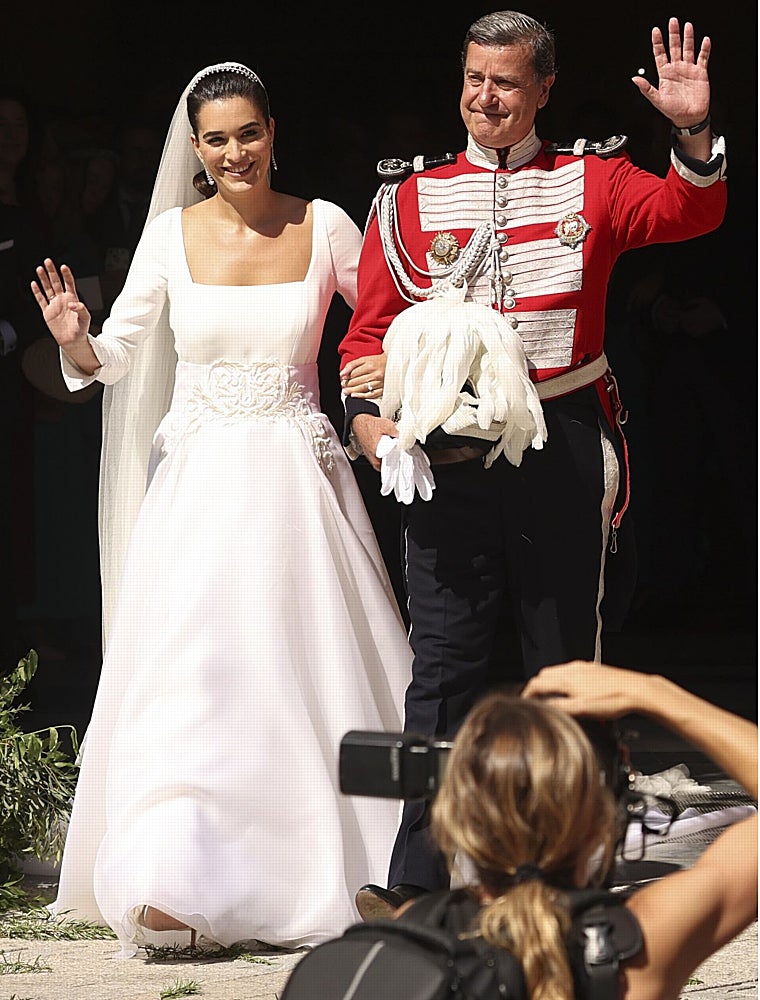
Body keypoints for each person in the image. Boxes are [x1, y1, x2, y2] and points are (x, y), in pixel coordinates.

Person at [339, 11, 728, 914]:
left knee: (564, 665)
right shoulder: (409, 199)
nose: (485, 98)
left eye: (506, 82)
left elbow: (691, 208)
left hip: (558, 449)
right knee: (440, 673)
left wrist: (693, 131)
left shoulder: (590, 181)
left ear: (543, 89)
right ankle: (418, 886)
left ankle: (569, 872)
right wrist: (374, 431)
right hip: (444, 461)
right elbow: (365, 341)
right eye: (474, 78)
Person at [30, 61, 412, 957]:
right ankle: (177, 876)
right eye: (216, 138)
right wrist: (77, 341)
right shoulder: (169, 235)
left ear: (273, 131)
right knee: (197, 686)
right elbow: (117, 355)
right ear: (195, 149)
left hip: (299, 491)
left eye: (249, 132)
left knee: (306, 678)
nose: (235, 152)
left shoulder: (325, 226)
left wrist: (386, 373)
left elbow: (390, 320)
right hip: (199, 493)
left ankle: (355, 868)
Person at [412, 661, 757, 1000]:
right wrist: (650, 691)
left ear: (456, 816)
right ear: (602, 817)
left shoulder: (411, 942)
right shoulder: (645, 943)